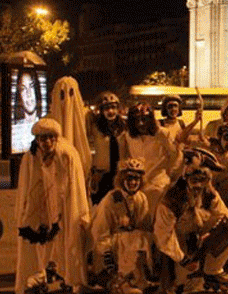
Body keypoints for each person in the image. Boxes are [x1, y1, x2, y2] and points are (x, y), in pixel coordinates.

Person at [15, 118, 90, 294]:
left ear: (56, 138)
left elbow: (76, 187)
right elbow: (25, 186)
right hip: (40, 211)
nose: (47, 142)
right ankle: (40, 278)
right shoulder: (30, 157)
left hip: (63, 208)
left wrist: (78, 212)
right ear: (37, 140)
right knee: (40, 248)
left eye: (50, 138)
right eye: (42, 139)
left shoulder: (67, 155)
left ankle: (64, 278)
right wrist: (25, 212)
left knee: (63, 246)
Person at [153, 147, 228, 294]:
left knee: (227, 228)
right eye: (194, 179)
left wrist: (210, 234)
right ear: (186, 177)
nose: (198, 184)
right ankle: (175, 280)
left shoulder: (209, 193)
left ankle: (213, 271)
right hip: (175, 247)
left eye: (202, 179)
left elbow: (223, 214)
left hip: (197, 238)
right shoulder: (172, 198)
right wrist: (183, 259)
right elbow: (163, 236)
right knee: (180, 283)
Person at [90, 158, 152, 294]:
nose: (133, 182)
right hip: (111, 250)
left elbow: (144, 227)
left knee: (142, 236)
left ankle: (138, 278)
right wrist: (108, 259)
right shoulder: (112, 199)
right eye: (129, 178)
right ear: (121, 179)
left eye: (136, 179)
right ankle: (121, 282)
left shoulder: (141, 198)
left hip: (131, 249)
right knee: (127, 236)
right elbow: (100, 231)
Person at [119, 102, 179, 216]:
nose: (141, 123)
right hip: (136, 186)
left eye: (144, 119)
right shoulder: (128, 136)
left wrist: (171, 177)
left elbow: (175, 157)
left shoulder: (162, 134)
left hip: (159, 185)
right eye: (137, 120)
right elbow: (124, 160)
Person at [49, 76, 91, 181]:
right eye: (62, 94)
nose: (67, 99)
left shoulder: (86, 116)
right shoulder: (49, 122)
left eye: (71, 93)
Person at [89, 91, 128, 204]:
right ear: (101, 110)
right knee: (100, 206)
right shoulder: (95, 127)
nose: (110, 111)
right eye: (106, 108)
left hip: (119, 174)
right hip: (101, 174)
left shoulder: (124, 126)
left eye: (113, 107)